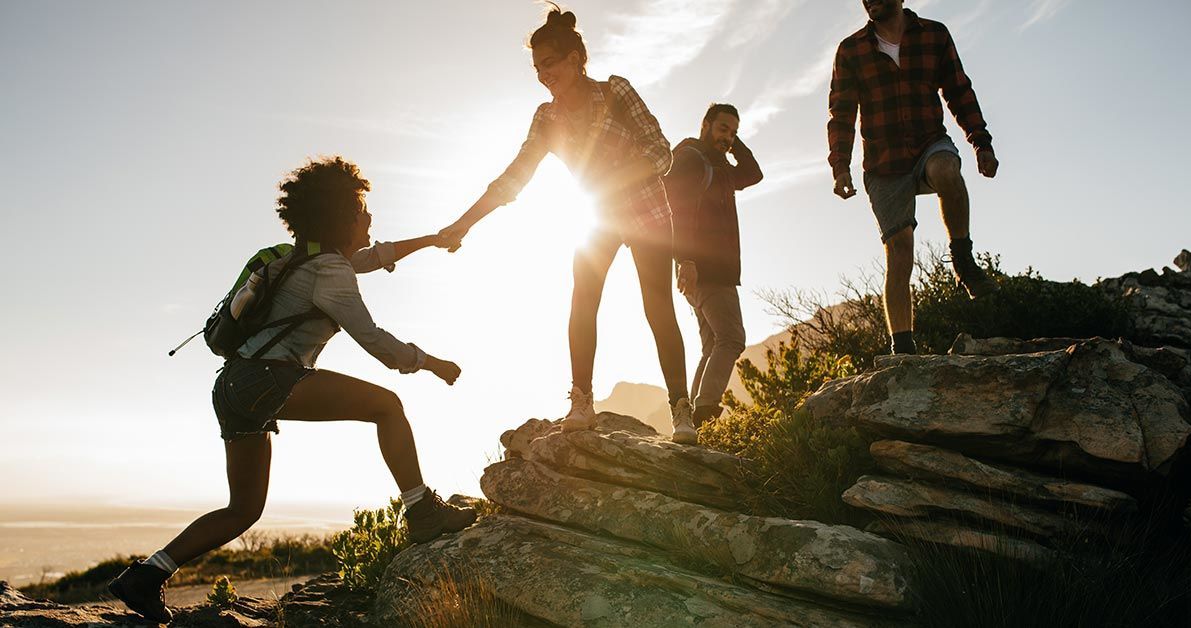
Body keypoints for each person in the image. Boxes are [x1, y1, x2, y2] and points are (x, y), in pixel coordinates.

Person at [107, 157, 477, 623]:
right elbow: (374, 340)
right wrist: (431, 363)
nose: (370, 221)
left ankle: (146, 575)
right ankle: (422, 511)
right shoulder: (330, 271)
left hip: (234, 386)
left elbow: (373, 257)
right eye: (363, 213)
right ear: (342, 217)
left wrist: (431, 240)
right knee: (387, 405)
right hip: (268, 380)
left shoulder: (299, 257)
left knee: (242, 510)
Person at [437, 5, 698, 443]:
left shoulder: (616, 91)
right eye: (537, 67)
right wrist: (465, 223)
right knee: (583, 300)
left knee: (657, 307)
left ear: (577, 58)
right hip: (596, 216)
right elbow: (513, 178)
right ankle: (581, 401)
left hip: (646, 212)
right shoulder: (547, 118)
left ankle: (682, 409)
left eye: (551, 63)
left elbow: (661, 151)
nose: (543, 74)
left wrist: (620, 178)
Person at [828, 0, 1000, 355]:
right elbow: (841, 113)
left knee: (946, 170)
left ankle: (963, 259)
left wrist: (980, 141)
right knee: (900, 249)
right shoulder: (852, 50)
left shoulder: (934, 35)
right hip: (883, 163)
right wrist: (840, 165)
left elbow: (958, 91)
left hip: (928, 143)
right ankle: (903, 347)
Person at [665, 104, 762, 429]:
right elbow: (679, 210)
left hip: (707, 269)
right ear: (706, 125)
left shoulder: (720, 166)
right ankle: (704, 410)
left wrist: (733, 144)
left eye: (733, 131)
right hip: (705, 267)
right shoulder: (693, 158)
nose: (727, 137)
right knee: (732, 338)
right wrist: (686, 260)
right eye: (722, 129)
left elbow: (753, 174)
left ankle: (692, 418)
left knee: (712, 345)